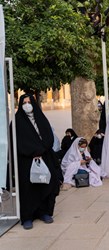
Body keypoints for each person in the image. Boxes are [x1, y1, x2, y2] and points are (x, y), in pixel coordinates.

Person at [13, 94, 62, 230]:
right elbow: (18, 142)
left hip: (44, 156)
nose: (27, 105)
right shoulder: (17, 121)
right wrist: (33, 152)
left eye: (29, 102)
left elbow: (48, 137)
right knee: (28, 188)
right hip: (26, 159)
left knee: (48, 183)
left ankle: (45, 212)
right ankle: (28, 217)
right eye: (24, 103)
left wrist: (41, 151)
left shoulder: (41, 119)